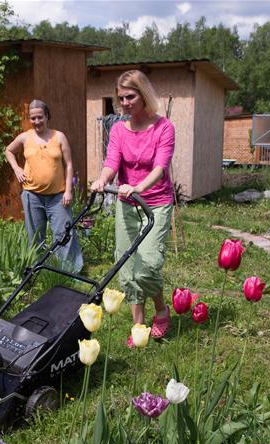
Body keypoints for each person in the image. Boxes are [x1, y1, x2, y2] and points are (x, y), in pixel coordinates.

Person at [90, 70, 175, 346]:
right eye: (121, 97)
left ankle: (161, 309)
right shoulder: (118, 130)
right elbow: (112, 162)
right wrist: (103, 179)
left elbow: (161, 168)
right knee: (127, 267)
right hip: (127, 206)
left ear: (143, 95)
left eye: (130, 96)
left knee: (147, 266)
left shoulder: (163, 128)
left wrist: (139, 187)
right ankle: (138, 327)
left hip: (156, 204)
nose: (125, 102)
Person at [5, 100, 83, 273]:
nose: (37, 121)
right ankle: (38, 270)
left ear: (47, 116)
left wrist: (68, 190)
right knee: (35, 236)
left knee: (64, 234)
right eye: (33, 118)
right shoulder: (25, 137)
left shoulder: (59, 137)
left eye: (40, 117)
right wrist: (17, 168)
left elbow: (69, 165)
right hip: (32, 196)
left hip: (58, 196)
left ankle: (70, 272)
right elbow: (9, 151)